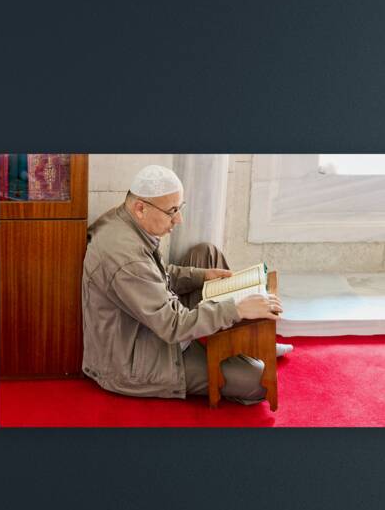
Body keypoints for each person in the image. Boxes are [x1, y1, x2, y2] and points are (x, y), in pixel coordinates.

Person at [82, 164, 288, 404]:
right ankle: (244, 346)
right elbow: (172, 325)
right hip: (138, 356)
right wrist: (237, 308)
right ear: (140, 208)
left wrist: (202, 276)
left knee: (207, 254)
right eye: (172, 211)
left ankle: (247, 341)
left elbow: (154, 275)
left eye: (179, 208)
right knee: (259, 379)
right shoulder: (125, 258)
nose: (179, 219)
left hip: (152, 320)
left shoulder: (126, 220)